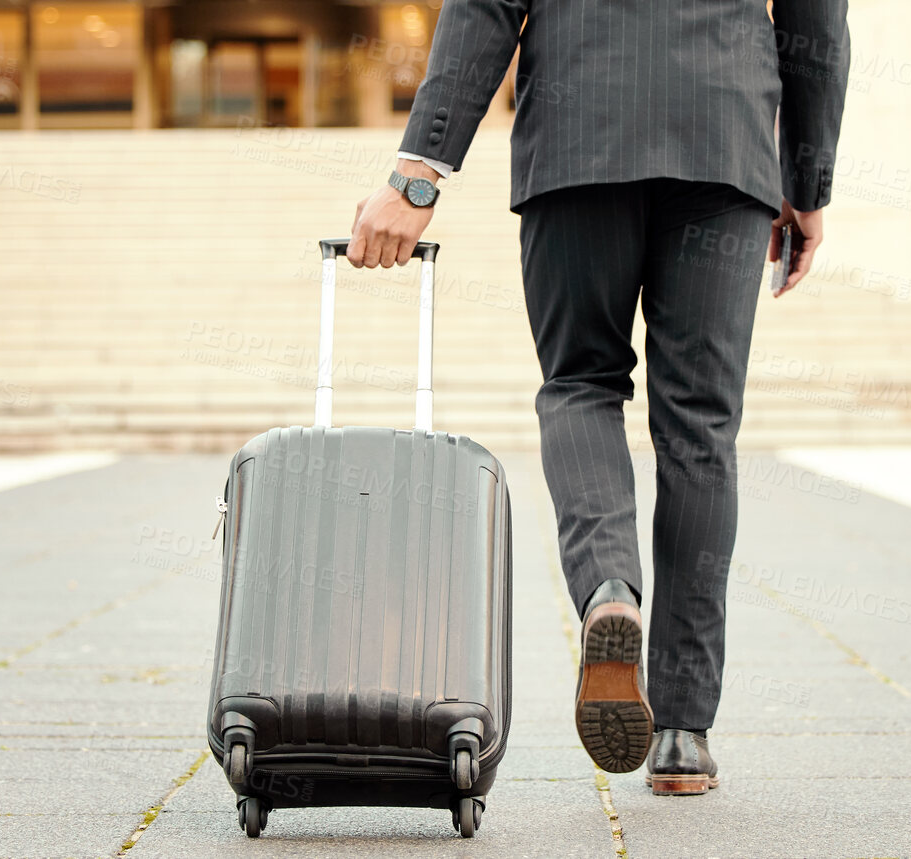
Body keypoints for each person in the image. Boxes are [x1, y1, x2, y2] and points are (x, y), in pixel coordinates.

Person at [347, 0, 849, 796]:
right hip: (722, 137)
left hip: (580, 133)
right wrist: (809, 182)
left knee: (581, 383)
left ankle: (609, 587)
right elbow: (815, 21)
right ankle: (683, 731)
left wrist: (419, 174)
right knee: (700, 428)